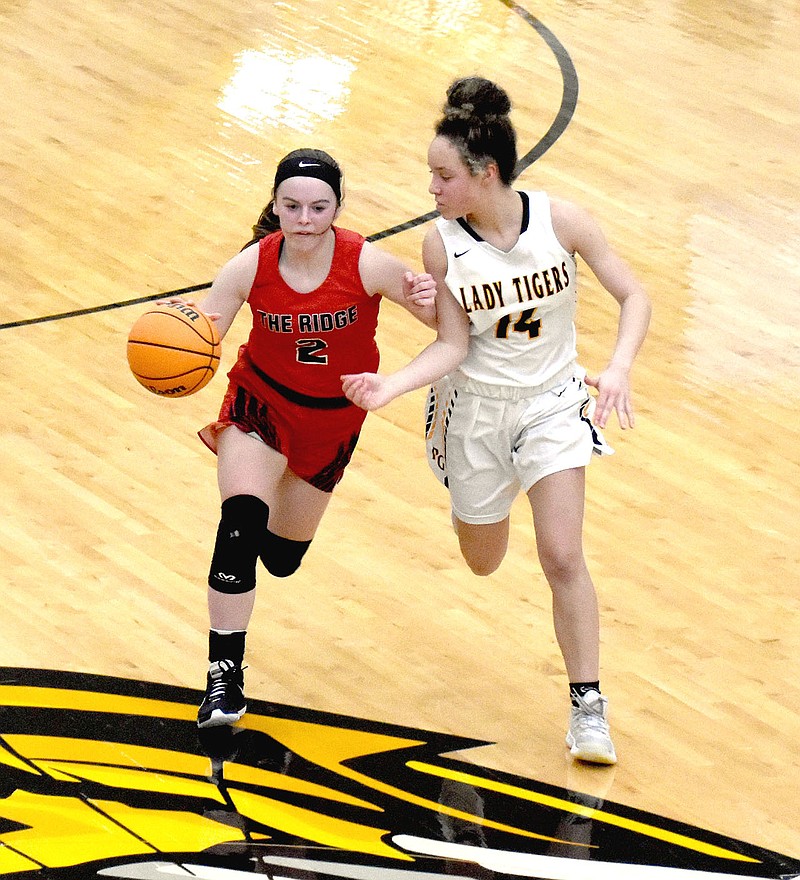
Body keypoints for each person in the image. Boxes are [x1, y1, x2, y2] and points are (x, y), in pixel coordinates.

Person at [342, 77, 651, 764]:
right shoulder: (441, 245)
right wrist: (390, 385)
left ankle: (588, 707)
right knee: (483, 560)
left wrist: (620, 364)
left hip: (551, 402)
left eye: (443, 174)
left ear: (485, 174)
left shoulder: (562, 221)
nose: (432, 186)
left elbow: (633, 294)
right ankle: (477, 500)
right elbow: (453, 344)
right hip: (475, 413)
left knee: (562, 554)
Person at [173, 148, 463, 728]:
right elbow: (206, 333)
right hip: (261, 403)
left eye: (317, 206)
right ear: (276, 206)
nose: (304, 217)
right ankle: (224, 678)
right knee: (239, 524)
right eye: (292, 205)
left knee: (280, 558)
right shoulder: (249, 266)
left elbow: (444, 327)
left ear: (337, 208)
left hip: (333, 420)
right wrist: (177, 329)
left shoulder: (368, 263)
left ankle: (252, 562)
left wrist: (432, 301)